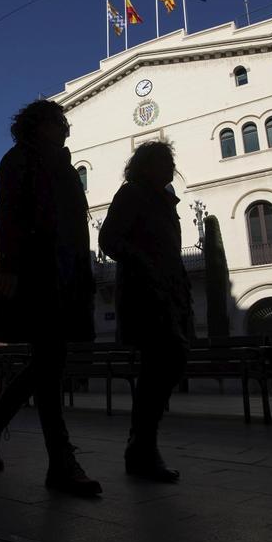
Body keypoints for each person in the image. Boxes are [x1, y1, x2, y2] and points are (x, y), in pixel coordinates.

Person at [0, 99, 101, 497]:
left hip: (62, 274)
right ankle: (60, 461)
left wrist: (83, 273)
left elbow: (75, 227)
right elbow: (9, 215)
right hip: (36, 272)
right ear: (36, 125)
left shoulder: (61, 166)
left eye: (63, 123)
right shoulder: (18, 162)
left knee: (49, 361)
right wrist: (7, 266)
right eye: (56, 122)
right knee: (50, 361)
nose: (64, 128)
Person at [98, 141, 192, 482]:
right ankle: (142, 448)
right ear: (146, 165)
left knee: (166, 363)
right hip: (145, 293)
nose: (170, 168)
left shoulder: (165, 201)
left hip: (167, 292)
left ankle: (141, 447)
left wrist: (178, 284)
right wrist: (142, 262)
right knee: (166, 360)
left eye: (171, 161)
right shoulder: (132, 194)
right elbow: (108, 240)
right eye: (164, 162)